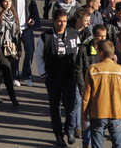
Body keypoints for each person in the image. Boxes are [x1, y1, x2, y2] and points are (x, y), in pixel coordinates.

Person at [35, 9, 80, 146]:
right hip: (53, 78)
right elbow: (39, 56)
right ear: (54, 21)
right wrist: (43, 75)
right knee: (55, 108)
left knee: (71, 106)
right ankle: (58, 135)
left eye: (65, 21)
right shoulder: (45, 36)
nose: (62, 24)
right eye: (59, 21)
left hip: (70, 77)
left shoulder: (73, 35)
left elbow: (79, 56)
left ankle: (70, 131)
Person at [81, 39, 121, 148]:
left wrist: (83, 117)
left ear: (101, 53)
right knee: (119, 144)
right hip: (116, 113)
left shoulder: (93, 69)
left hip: (97, 113)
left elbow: (86, 96)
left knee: (97, 145)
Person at [3, 0, 40, 87]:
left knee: (30, 51)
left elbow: (33, 7)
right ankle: (15, 76)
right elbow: (2, 6)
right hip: (13, 27)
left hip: (26, 27)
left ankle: (26, 75)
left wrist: (33, 19)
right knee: (15, 53)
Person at [0, 0, 20, 107]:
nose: (8, 4)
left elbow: (17, 32)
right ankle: (13, 99)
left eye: (10, 1)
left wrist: (18, 48)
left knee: (0, 71)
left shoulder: (13, 13)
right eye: (5, 1)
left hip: (10, 47)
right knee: (7, 70)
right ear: (1, 2)